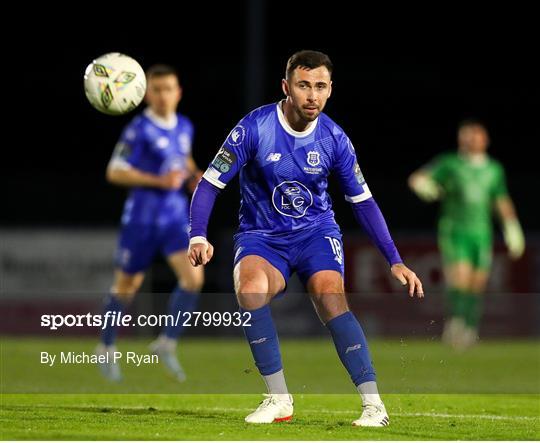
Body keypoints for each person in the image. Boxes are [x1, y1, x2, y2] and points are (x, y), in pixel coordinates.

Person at [188, 50, 424, 427]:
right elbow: (209, 184)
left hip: (316, 234)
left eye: (320, 86)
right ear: (286, 87)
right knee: (250, 290)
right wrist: (197, 235)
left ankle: (373, 406)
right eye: (303, 85)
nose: (312, 95)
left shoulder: (335, 139)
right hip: (262, 237)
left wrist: (394, 258)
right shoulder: (254, 128)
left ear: (330, 90)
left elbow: (362, 202)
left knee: (331, 297)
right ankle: (278, 399)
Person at [95, 64, 203, 382]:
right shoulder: (137, 129)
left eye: (168, 89)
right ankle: (106, 347)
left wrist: (194, 177)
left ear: (178, 92)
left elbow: (183, 159)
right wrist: (158, 180)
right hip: (141, 219)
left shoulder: (184, 126)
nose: (162, 96)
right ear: (145, 95)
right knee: (127, 288)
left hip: (174, 218)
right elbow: (114, 171)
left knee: (194, 279)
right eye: (156, 90)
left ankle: (166, 343)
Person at [408, 119, 524, 350]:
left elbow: (500, 200)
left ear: (485, 139)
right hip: (454, 230)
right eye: (467, 135)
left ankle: (470, 328)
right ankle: (455, 325)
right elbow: (418, 178)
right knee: (459, 278)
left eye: (476, 135)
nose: (471, 140)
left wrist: (512, 227)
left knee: (477, 283)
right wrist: (425, 187)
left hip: (481, 233)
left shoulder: (494, 169)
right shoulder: (451, 163)